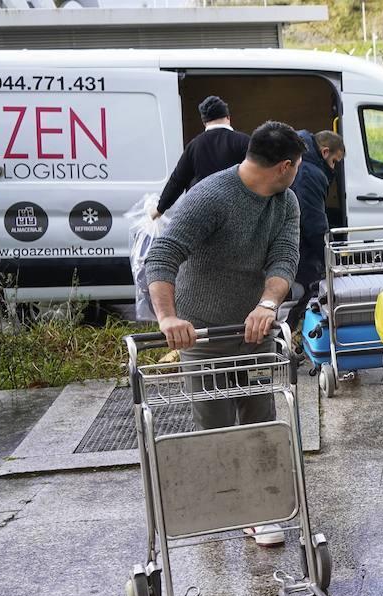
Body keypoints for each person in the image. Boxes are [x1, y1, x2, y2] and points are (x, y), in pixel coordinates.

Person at [143, 120, 305, 547]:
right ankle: (219, 503)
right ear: (286, 165)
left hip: (254, 328)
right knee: (213, 422)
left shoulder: (285, 201)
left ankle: (259, 510)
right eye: (299, 165)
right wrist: (167, 319)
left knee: (260, 414)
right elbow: (161, 254)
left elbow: (284, 257)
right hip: (203, 333)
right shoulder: (210, 197)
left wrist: (268, 305)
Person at [151, 95, 251, 220]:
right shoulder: (244, 142)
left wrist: (160, 209)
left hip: (200, 212)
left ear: (204, 122)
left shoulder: (194, 145)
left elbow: (177, 181)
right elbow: (260, 173)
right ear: (228, 117)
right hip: (235, 212)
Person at [285, 129, 346, 330]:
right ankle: (292, 336)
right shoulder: (310, 174)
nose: (334, 168)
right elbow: (313, 223)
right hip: (299, 247)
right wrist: (329, 261)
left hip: (289, 240)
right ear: (325, 152)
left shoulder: (300, 159)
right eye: (335, 162)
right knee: (309, 289)